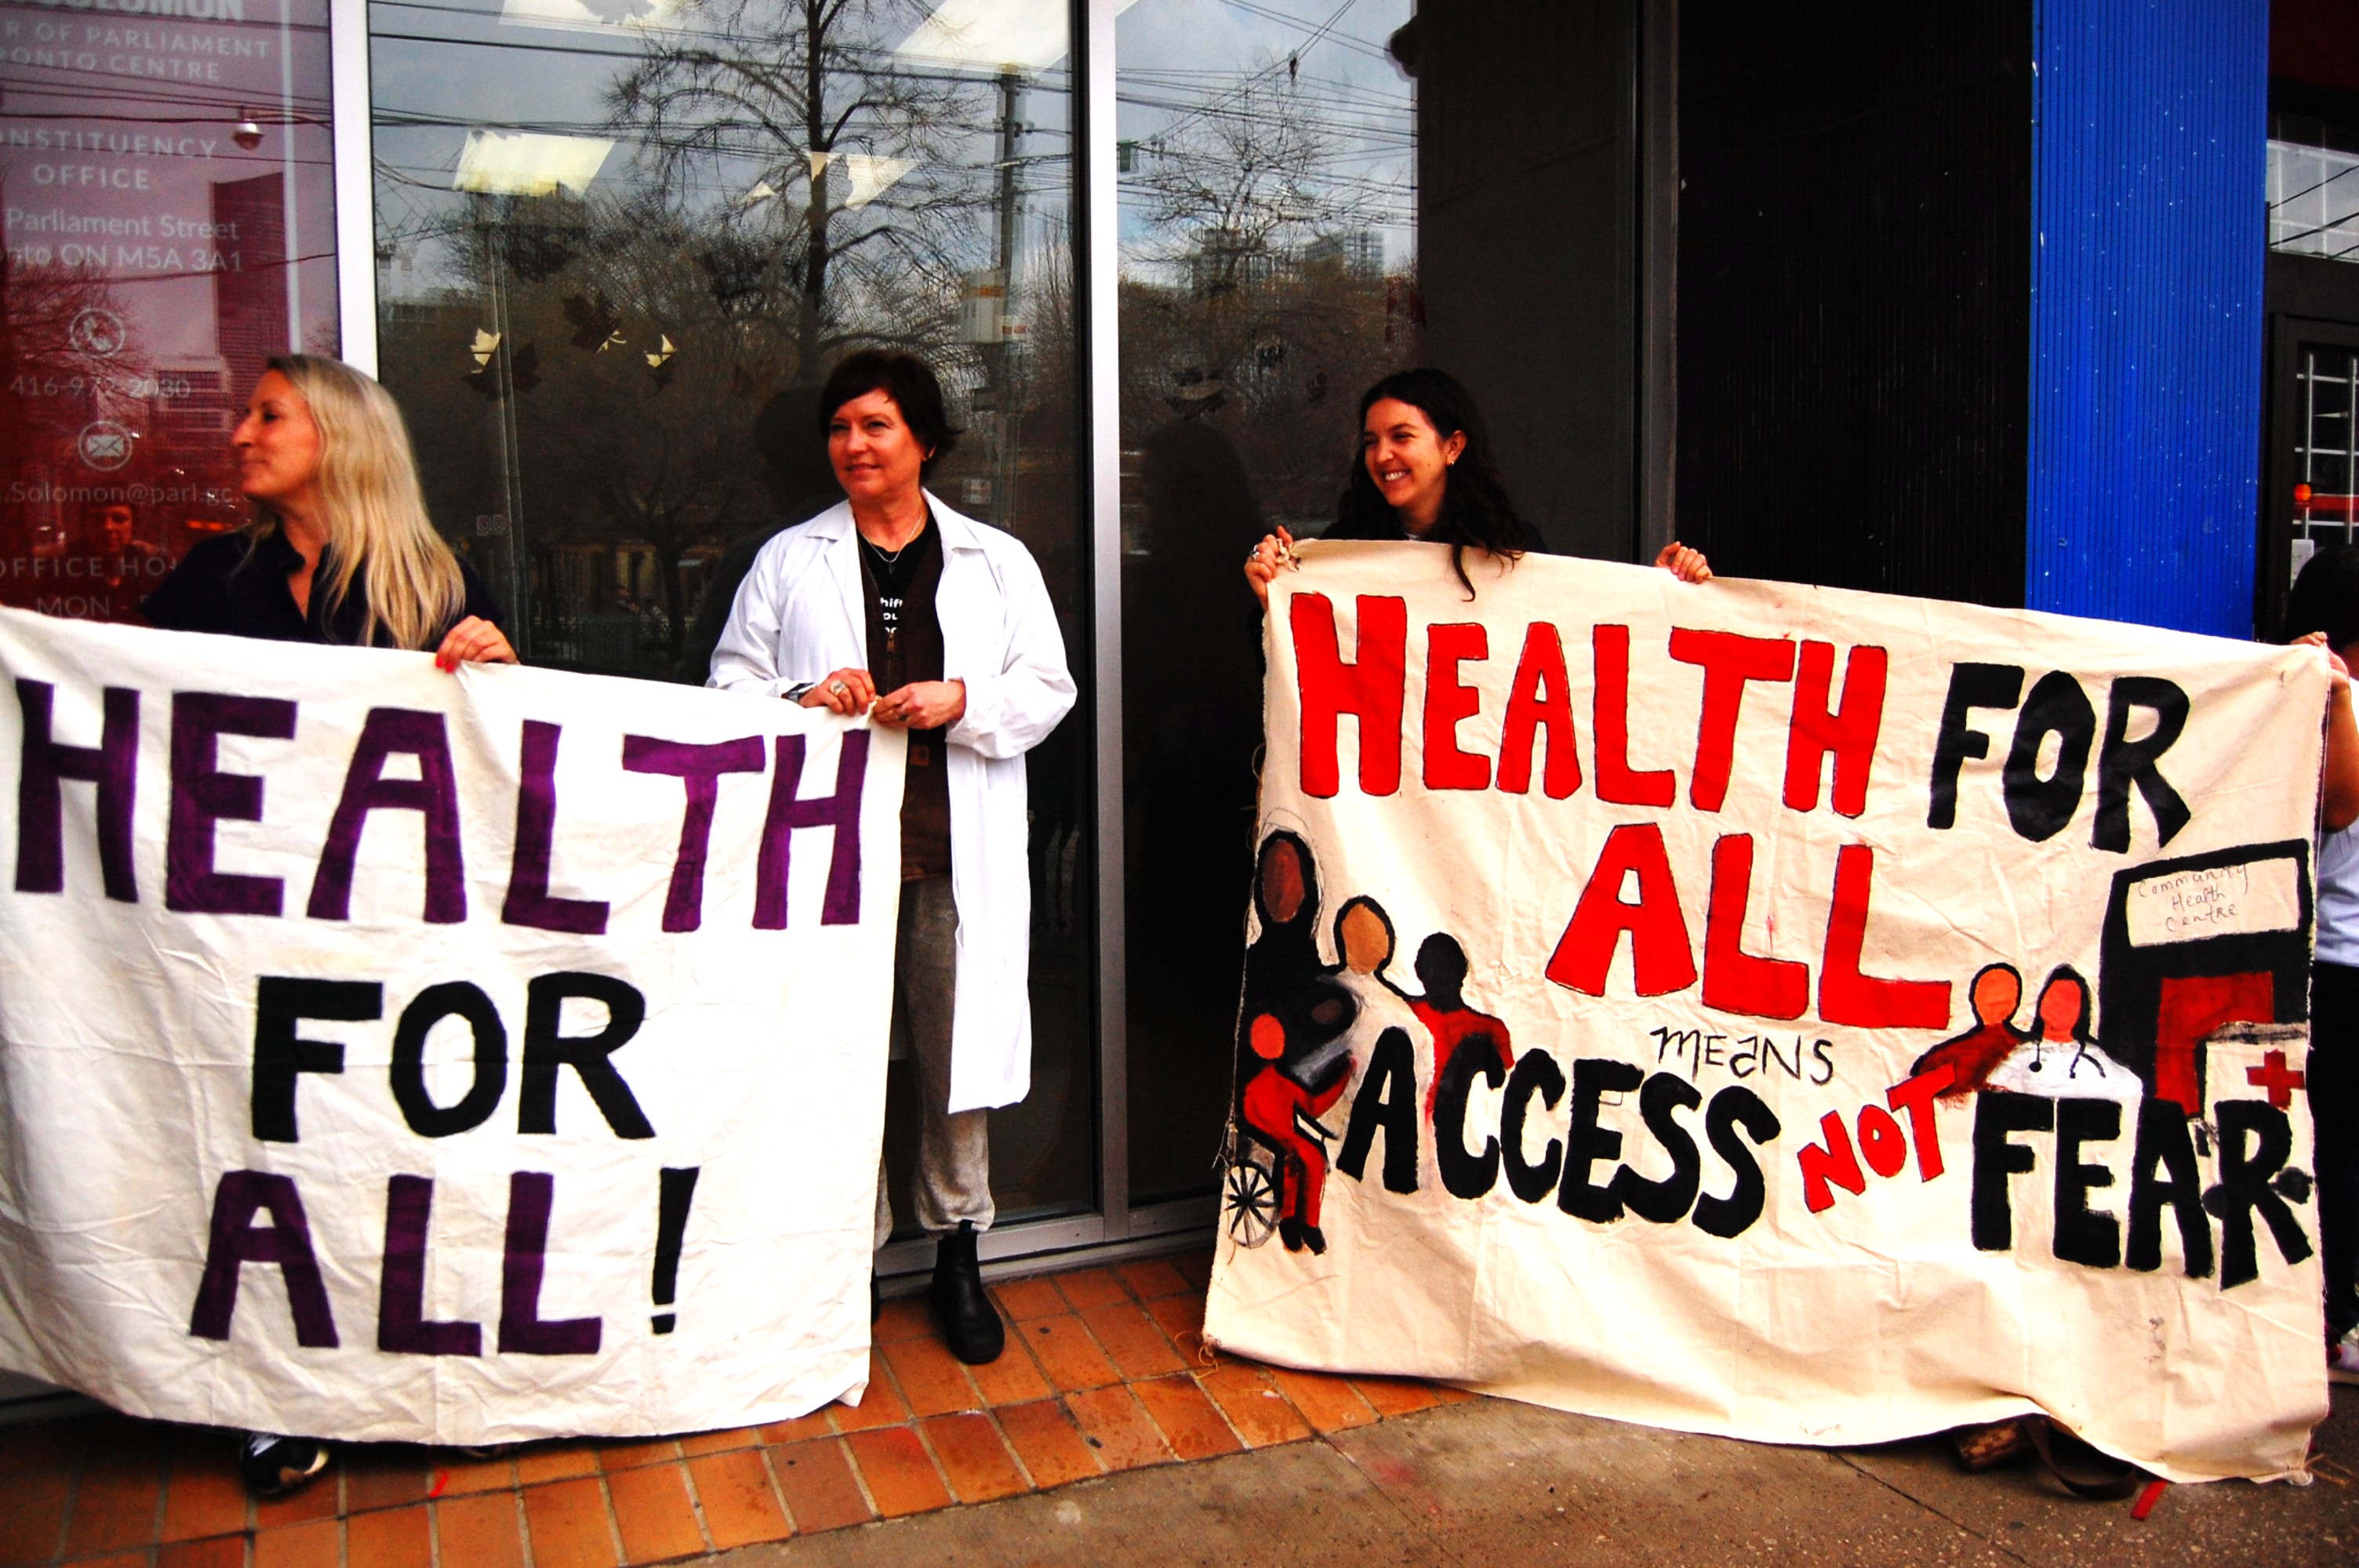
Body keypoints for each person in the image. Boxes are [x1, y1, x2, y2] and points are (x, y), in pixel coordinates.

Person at [139, 354, 515, 1498]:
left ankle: (387, 1374)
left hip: (384, 930)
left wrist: (502, 675)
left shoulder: (433, 584)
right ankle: (272, 1396)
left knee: (376, 1153)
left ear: (340, 439)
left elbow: (498, 767)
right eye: (247, 415)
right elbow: (136, 725)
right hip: (245, 925)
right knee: (260, 1155)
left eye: (270, 415)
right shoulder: (209, 582)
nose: (243, 434)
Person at [708, 349, 1075, 1366]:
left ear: (923, 440)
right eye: (840, 429)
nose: (854, 446)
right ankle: (851, 1255)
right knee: (841, 1061)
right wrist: (799, 699)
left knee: (956, 1067)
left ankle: (959, 1247)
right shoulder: (791, 558)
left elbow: (1048, 688)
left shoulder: (994, 560)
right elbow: (728, 681)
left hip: (953, 859)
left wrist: (966, 701)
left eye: (875, 427)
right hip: (836, 865)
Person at [1244, 367, 1710, 604]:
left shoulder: (1513, 548)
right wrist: (1275, 598)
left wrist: (1664, 592)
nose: (1382, 456)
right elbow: (1294, 670)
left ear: (1453, 446)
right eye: (1371, 441)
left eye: (1401, 437)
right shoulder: (1343, 550)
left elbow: (1578, 642)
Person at [2288, 545, 2359, 1385]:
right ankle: (2328, 1317)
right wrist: (2334, 693)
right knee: (2336, 1148)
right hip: (2339, 961)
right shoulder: (2324, 696)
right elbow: (2337, 806)